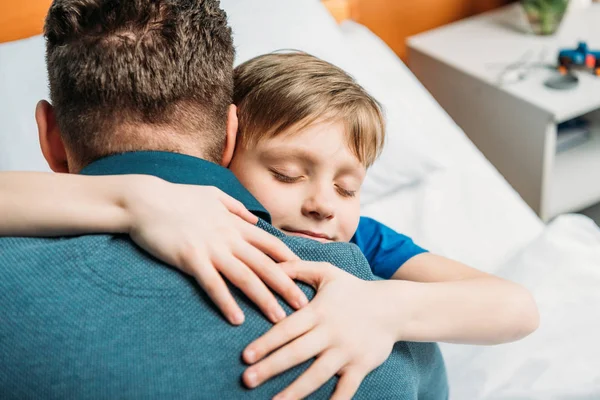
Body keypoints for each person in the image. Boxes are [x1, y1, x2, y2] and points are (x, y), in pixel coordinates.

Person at [0, 12, 539, 397]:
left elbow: (516, 307)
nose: (324, 206)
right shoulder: (400, 367)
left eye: (349, 188)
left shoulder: (362, 258)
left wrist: (387, 304)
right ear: (230, 143)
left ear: (48, 136)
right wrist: (135, 197)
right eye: (285, 174)